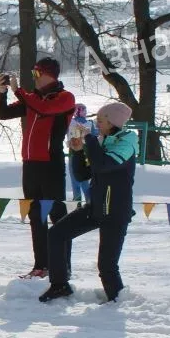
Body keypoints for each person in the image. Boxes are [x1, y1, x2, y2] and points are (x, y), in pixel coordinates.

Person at [40, 101, 137, 303]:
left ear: (112, 122)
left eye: (100, 120)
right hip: (96, 208)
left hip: (116, 212)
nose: (96, 124)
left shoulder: (127, 141)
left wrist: (89, 140)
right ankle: (60, 285)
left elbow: (104, 165)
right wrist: (76, 151)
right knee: (56, 234)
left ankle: (117, 300)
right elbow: (82, 174)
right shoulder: (101, 141)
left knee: (107, 266)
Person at [0, 57, 76, 278]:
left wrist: (19, 90)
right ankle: (41, 265)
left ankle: (63, 266)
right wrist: (2, 93)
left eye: (37, 74)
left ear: (50, 75)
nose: (34, 78)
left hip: (51, 163)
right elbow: (3, 114)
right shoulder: (32, 99)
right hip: (30, 164)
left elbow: (44, 109)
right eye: (33, 74)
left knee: (57, 216)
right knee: (36, 215)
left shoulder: (64, 98)